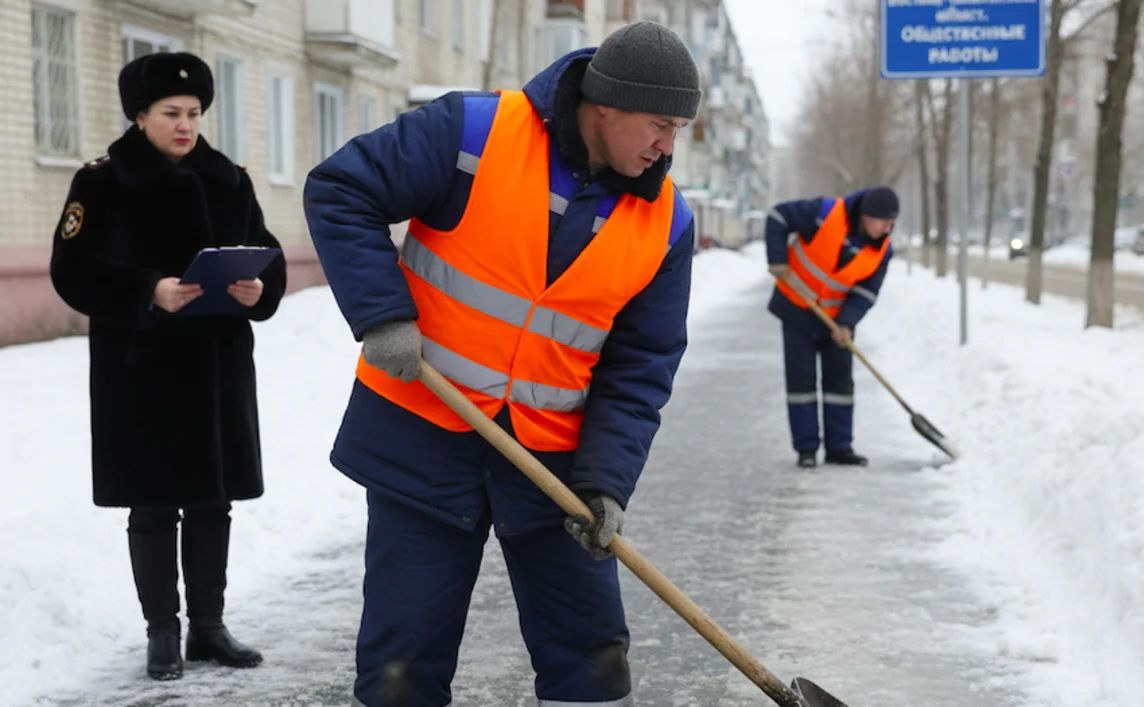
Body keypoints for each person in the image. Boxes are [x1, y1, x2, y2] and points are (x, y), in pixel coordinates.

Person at [303, 21, 699, 707]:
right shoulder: (472, 133)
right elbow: (341, 189)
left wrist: (606, 482)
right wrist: (382, 314)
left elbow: (641, 366)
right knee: (402, 664)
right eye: (660, 124)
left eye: (678, 129)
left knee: (594, 657)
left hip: (553, 467)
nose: (669, 146)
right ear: (605, 104)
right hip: (423, 434)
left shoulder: (667, 223)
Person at [49, 51, 288, 681]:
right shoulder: (102, 181)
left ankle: (209, 626)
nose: (186, 125)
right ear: (140, 115)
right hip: (143, 371)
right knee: (154, 506)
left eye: (195, 113)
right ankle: (163, 631)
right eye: (171, 113)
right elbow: (71, 269)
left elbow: (266, 253)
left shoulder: (228, 178)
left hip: (218, 369)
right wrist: (148, 289)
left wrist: (259, 290)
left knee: (214, 502)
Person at [765, 186, 898, 468]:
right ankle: (807, 449)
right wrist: (777, 259)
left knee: (840, 383)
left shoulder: (883, 251)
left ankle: (839, 447)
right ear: (866, 216)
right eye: (883, 221)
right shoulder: (824, 213)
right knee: (801, 381)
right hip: (797, 309)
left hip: (836, 320)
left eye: (892, 222)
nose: (888, 228)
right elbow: (777, 217)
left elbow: (866, 293)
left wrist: (847, 323)